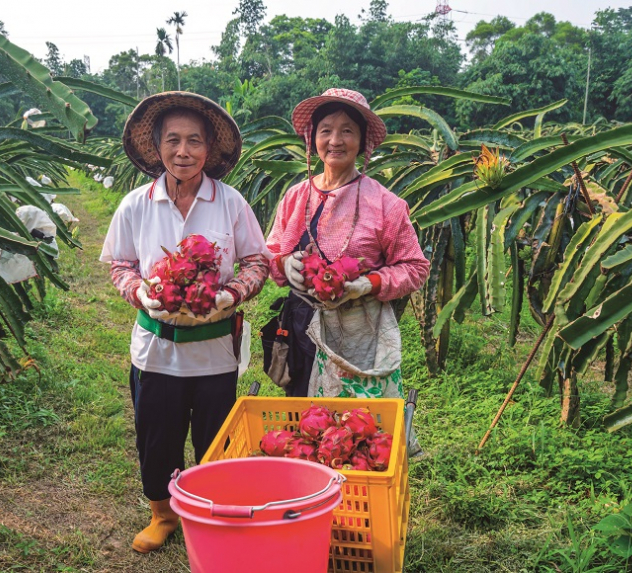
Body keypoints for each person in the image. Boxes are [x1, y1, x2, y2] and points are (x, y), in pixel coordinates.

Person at [99, 92, 270, 553]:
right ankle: (163, 514)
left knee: (215, 439)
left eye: (194, 141)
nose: (183, 151)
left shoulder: (230, 203)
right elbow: (120, 264)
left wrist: (229, 294)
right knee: (157, 435)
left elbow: (257, 261)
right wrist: (141, 293)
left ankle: (211, 512)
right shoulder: (136, 204)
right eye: (172, 140)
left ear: (209, 150)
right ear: (156, 147)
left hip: (215, 350)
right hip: (156, 350)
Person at [266, 88, 430, 399]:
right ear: (313, 137)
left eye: (347, 131)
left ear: (363, 141)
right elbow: (272, 251)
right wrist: (283, 263)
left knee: (355, 424)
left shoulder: (386, 204)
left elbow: (415, 267)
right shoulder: (295, 197)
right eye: (325, 130)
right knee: (305, 420)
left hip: (359, 330)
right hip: (301, 324)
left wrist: (367, 284)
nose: (335, 141)